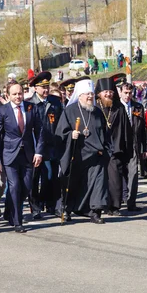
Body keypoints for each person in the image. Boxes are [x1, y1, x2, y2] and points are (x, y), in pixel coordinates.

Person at [56, 78, 110, 224]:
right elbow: (61, 133)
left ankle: (95, 212)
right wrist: (70, 135)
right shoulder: (69, 111)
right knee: (72, 184)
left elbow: (105, 133)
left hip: (96, 155)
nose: (90, 97)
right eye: (87, 94)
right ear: (79, 95)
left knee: (98, 184)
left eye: (92, 94)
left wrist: (106, 151)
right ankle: (66, 210)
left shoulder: (97, 112)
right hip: (77, 154)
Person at [0, 82, 43, 233]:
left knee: (26, 187)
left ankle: (10, 211)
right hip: (9, 155)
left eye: (20, 93)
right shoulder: (2, 111)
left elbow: (39, 131)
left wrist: (38, 152)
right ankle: (17, 221)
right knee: (14, 186)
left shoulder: (30, 108)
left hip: (28, 154)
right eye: (14, 94)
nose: (18, 96)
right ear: (8, 95)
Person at [27, 72, 63, 217]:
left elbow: (61, 121)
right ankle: (35, 208)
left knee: (52, 177)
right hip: (35, 146)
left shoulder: (55, 101)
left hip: (52, 145)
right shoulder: (30, 104)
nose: (45, 89)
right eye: (42, 87)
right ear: (35, 88)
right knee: (34, 178)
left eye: (47, 86)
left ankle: (52, 205)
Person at [96, 77, 131, 216]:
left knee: (115, 178)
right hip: (98, 148)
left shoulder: (119, 108)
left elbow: (127, 130)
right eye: (105, 92)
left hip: (115, 148)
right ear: (99, 93)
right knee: (99, 179)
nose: (108, 94)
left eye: (111, 92)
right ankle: (99, 205)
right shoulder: (94, 107)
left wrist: (126, 149)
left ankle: (114, 206)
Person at [118, 83, 147, 211]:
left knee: (133, 173)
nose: (128, 95)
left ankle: (131, 202)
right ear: (120, 92)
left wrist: (144, 148)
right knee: (119, 174)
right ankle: (116, 201)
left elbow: (143, 130)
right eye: (125, 93)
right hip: (119, 145)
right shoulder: (116, 107)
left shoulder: (138, 107)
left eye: (130, 93)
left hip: (134, 144)